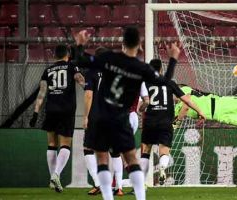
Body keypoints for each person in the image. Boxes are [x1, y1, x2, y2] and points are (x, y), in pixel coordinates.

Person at [73, 27, 180, 200]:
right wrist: (173, 58)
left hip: (101, 116)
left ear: (123, 42)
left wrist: (79, 45)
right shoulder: (141, 68)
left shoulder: (108, 59)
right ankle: (140, 197)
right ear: (139, 45)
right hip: (122, 119)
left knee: (102, 158)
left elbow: (82, 60)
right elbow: (165, 81)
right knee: (131, 158)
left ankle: (108, 197)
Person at [139, 59, 205, 186]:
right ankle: (162, 168)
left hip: (150, 121)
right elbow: (187, 100)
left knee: (146, 151)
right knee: (164, 151)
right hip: (165, 122)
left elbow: (141, 104)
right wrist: (200, 111)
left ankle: (141, 183)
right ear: (161, 70)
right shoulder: (169, 83)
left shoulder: (145, 84)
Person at [29, 44, 85, 193]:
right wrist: (90, 87)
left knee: (52, 144)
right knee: (65, 145)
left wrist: (35, 112)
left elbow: (41, 93)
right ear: (67, 55)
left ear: (55, 56)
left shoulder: (47, 70)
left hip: (51, 109)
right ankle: (56, 174)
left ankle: (52, 179)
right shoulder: (72, 67)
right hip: (66, 110)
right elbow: (81, 81)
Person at [112, 82, 149, 196]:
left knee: (118, 152)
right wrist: (140, 110)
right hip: (133, 117)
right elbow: (147, 101)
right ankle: (118, 185)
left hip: (121, 117)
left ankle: (122, 186)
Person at [83, 47, 109, 195]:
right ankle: (117, 185)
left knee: (88, 148)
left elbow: (88, 95)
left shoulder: (91, 72)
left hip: (96, 115)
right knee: (111, 152)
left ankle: (98, 183)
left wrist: (86, 116)